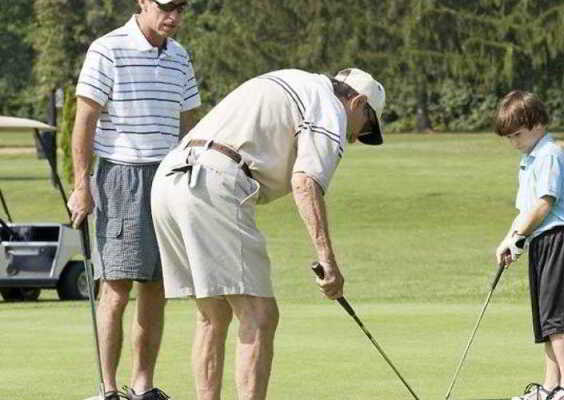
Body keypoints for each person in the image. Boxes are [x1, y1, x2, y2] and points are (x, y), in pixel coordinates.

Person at [150, 67, 385, 400]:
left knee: (212, 314)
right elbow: (305, 182)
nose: (355, 137)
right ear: (357, 102)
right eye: (367, 125)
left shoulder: (297, 79)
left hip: (169, 180)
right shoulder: (331, 108)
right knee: (260, 316)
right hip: (215, 181)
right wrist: (327, 261)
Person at [67, 1, 200, 399]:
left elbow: (190, 120)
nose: (173, 16)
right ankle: (107, 389)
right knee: (117, 285)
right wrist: (80, 184)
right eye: (165, 7)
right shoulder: (108, 48)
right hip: (121, 175)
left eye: (180, 8)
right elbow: (85, 120)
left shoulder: (179, 56)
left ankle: (142, 386)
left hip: (168, 177)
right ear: (142, 2)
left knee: (156, 285)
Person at [494, 90, 564, 400]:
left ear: (536, 124)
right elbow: (525, 211)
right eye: (509, 138)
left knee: (558, 320)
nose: (514, 142)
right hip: (542, 242)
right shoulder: (530, 159)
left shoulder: (550, 155)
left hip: (558, 240)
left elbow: (543, 206)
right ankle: (549, 388)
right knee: (548, 320)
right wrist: (508, 240)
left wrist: (518, 237)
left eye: (518, 135)